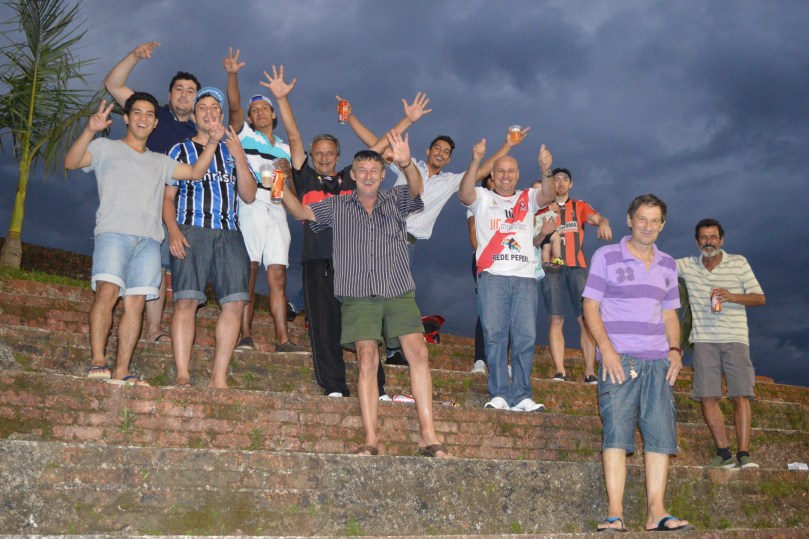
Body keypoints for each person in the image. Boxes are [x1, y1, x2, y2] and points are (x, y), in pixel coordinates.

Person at [281, 129, 447, 458]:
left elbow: (417, 190)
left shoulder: (395, 199)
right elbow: (302, 213)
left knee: (418, 353)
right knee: (367, 360)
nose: (368, 176)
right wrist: (279, 184)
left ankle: (428, 435)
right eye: (362, 171)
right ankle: (371, 439)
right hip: (358, 293)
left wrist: (408, 163)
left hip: (397, 288)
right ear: (353, 175)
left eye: (374, 171)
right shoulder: (337, 206)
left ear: (383, 175)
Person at [345, 97, 529, 365]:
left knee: (397, 294)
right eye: (437, 149)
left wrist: (508, 145)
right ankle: (371, 343)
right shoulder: (409, 165)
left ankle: (394, 350)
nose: (441, 154)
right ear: (429, 150)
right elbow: (375, 145)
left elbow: (481, 171)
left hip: (405, 242)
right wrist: (350, 117)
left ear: (449, 158)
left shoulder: (450, 181)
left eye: (446, 152)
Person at [64, 93, 224, 384]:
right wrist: (90, 129)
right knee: (107, 294)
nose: (142, 118)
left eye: (149, 114)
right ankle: (99, 360)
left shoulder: (160, 162)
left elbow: (196, 171)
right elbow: (72, 161)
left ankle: (123, 369)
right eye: (136, 112)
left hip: (150, 241)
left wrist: (213, 141)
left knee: (136, 304)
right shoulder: (105, 147)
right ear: (126, 118)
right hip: (113, 233)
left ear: (155, 123)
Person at [260, 65, 387, 398]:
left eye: (330, 153)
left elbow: (381, 148)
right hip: (317, 260)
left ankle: (377, 386)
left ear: (339, 157)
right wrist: (282, 98)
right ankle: (334, 385)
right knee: (324, 326)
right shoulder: (304, 178)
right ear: (312, 158)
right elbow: (293, 135)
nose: (325, 158)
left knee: (365, 326)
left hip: (356, 262)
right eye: (319, 154)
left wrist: (408, 121)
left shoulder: (351, 178)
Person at [582, 194, 693, 533]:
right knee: (616, 436)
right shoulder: (606, 256)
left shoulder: (668, 264)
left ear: (662, 224)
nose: (648, 226)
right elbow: (590, 306)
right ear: (629, 220)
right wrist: (607, 351)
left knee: (659, 438)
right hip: (620, 361)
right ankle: (615, 512)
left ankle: (656, 512)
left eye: (655, 220)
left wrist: (675, 350)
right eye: (642, 219)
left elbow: (669, 312)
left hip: (658, 362)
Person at [104, 41, 201, 343]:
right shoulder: (152, 113)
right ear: (170, 94)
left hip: (188, 209)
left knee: (179, 271)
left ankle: (164, 328)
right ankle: (154, 329)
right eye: (179, 89)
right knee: (155, 268)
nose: (184, 95)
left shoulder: (200, 130)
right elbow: (113, 84)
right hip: (147, 205)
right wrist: (134, 55)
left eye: (190, 91)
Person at [164, 87, 257, 388]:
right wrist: (174, 231)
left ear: (220, 114)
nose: (209, 111)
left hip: (230, 232)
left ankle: (219, 377)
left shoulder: (233, 151)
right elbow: (168, 197)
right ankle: (183, 373)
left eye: (214, 107)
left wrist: (239, 155)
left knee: (234, 303)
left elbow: (249, 194)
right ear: (194, 116)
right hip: (191, 228)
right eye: (202, 107)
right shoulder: (180, 149)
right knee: (186, 301)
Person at [459, 139, 556, 411]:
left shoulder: (527, 197)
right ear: (492, 175)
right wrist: (476, 160)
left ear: (517, 175)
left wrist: (546, 169)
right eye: (500, 171)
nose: (505, 176)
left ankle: (523, 395)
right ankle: (500, 393)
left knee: (525, 337)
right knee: (495, 336)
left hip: (524, 277)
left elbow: (547, 195)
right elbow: (465, 194)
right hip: (492, 275)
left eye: (510, 171)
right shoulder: (483, 198)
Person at [223, 48, 304, 353]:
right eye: (253, 110)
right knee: (250, 269)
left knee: (278, 273)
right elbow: (233, 106)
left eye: (263, 109)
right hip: (251, 202)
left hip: (278, 204)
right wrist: (233, 74)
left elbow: (292, 183)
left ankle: (283, 339)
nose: (257, 113)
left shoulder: (283, 146)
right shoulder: (244, 134)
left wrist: (287, 175)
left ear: (273, 114)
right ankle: (244, 335)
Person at [677, 218, 765, 469]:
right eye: (704, 237)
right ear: (697, 242)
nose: (709, 242)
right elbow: (657, 265)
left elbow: (760, 298)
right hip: (704, 340)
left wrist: (732, 296)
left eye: (713, 237)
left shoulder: (739, 263)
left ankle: (744, 454)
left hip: (736, 338)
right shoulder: (686, 265)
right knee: (706, 396)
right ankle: (723, 452)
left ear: (721, 240)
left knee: (740, 395)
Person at [539, 167, 612, 384]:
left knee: (587, 319)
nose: (560, 183)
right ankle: (560, 370)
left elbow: (596, 218)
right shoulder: (542, 208)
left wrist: (604, 223)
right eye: (556, 180)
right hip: (551, 269)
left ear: (570, 184)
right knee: (555, 319)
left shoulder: (579, 206)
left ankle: (590, 371)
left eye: (565, 180)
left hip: (577, 268)